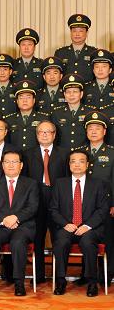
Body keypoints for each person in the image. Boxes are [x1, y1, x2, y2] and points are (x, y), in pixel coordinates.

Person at [50, 149, 109, 297]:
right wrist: (65, 224)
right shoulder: (60, 184)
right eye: (73, 161)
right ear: (69, 164)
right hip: (67, 226)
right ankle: (61, 280)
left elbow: (103, 209)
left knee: (88, 242)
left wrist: (87, 226)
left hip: (90, 228)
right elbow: (53, 209)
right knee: (61, 242)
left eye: (81, 161)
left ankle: (91, 282)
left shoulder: (98, 184)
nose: (77, 165)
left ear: (87, 164)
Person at [0, 150, 39, 296]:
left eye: (15, 162)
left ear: (21, 165)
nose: (11, 165)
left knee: (18, 243)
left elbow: (32, 207)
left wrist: (16, 218)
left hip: (22, 226)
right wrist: (4, 219)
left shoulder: (31, 184)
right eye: (7, 162)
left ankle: (19, 283)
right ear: (2, 165)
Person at [23, 120, 69, 284]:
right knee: (38, 239)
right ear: (36, 135)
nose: (44, 134)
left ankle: (59, 277)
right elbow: (25, 182)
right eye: (41, 132)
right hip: (36, 199)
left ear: (54, 135)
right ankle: (39, 275)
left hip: (57, 201)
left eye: (48, 132)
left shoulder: (64, 154)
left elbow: (67, 181)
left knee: (59, 239)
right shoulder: (28, 154)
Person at [76, 111, 114, 286]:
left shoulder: (112, 153)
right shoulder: (79, 153)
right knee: (86, 238)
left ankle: (107, 275)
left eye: (97, 128)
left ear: (104, 131)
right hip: (85, 205)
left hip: (107, 206)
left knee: (108, 240)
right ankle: (87, 275)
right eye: (90, 128)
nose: (93, 131)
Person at [51, 74, 95, 150]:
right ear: (64, 94)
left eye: (75, 91)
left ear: (81, 94)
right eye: (68, 92)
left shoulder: (90, 112)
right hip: (62, 154)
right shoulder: (56, 113)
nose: (71, 95)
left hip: (83, 154)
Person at [4, 80, 49, 151]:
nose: (24, 100)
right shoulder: (9, 119)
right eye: (21, 97)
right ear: (17, 101)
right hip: (15, 159)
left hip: (36, 158)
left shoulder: (43, 118)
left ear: (34, 100)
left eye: (28, 97)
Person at [54, 14, 96, 83]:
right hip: (67, 92)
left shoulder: (93, 52)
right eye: (74, 31)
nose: (77, 34)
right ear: (70, 32)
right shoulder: (60, 53)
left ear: (87, 33)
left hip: (87, 92)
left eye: (81, 31)